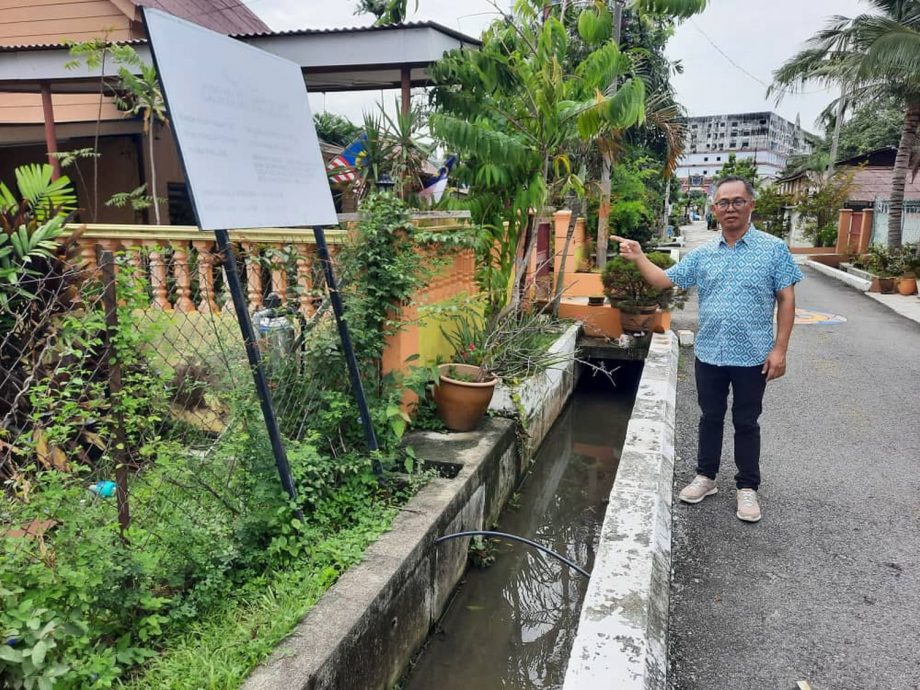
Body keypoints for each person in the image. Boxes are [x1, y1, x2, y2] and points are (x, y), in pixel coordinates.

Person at [611, 176, 803, 523]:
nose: (730, 208)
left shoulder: (773, 249)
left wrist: (780, 349)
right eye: (723, 202)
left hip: (753, 356)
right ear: (714, 209)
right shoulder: (703, 255)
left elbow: (787, 299)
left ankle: (747, 487)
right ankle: (706, 477)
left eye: (737, 201)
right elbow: (662, 280)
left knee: (746, 421)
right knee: (709, 417)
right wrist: (639, 256)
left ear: (751, 205)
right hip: (710, 352)